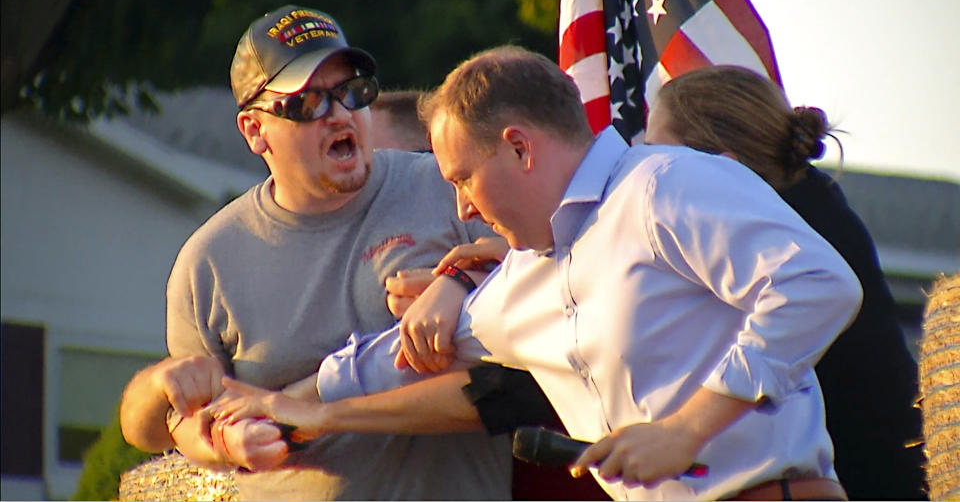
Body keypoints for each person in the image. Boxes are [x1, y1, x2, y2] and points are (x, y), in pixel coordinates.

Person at [206, 45, 864, 501]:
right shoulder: (518, 282)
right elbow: (387, 362)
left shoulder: (665, 183)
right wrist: (277, 407)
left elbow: (817, 284)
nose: (461, 206)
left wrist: (687, 429)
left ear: (519, 147)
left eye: (462, 177)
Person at [117, 5, 514, 500]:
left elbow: (542, 286)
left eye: (352, 91)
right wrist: (226, 440)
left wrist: (462, 281)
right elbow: (177, 424)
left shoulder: (445, 187)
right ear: (254, 131)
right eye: (308, 103)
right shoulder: (209, 261)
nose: (341, 114)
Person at [647, 65, 926, 500]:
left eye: (656, 154)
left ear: (722, 165)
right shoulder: (812, 201)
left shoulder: (773, 238)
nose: (642, 170)